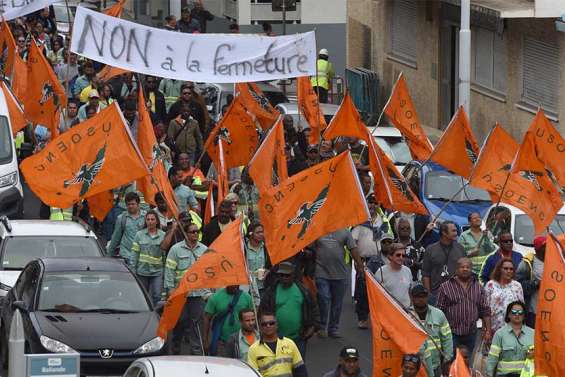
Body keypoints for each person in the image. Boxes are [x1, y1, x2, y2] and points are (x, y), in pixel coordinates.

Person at [164, 221, 209, 355]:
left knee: (196, 324)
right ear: (186, 233)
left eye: (197, 232)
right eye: (193, 232)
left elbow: (209, 272)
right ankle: (176, 347)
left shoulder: (204, 250)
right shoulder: (175, 249)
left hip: (198, 294)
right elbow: (169, 270)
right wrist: (170, 290)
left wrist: (209, 292)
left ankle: (196, 353)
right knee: (180, 322)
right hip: (180, 294)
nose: (196, 234)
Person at [260, 262, 319, 358]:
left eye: (287, 275)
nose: (284, 277)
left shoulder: (303, 290)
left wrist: (312, 327)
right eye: (281, 275)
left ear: (293, 275)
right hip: (276, 339)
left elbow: (313, 308)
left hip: (298, 338)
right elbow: (263, 311)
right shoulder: (271, 292)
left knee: (298, 367)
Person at [436, 257, 492, 358]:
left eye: (468, 267)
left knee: (468, 362)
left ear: (471, 269)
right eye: (462, 267)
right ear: (456, 269)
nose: (465, 269)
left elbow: (485, 310)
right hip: (451, 333)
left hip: (471, 333)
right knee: (451, 361)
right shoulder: (445, 287)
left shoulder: (478, 286)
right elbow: (439, 311)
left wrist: (488, 330)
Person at [314, 229, 363, 338]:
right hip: (321, 271)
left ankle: (333, 328)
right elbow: (309, 246)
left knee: (337, 303)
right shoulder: (318, 229)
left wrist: (360, 265)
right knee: (324, 297)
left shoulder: (345, 232)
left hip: (340, 274)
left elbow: (353, 249)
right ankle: (322, 327)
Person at [352, 193, 392, 328]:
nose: (373, 205)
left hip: (380, 261)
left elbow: (389, 238)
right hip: (363, 260)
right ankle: (362, 317)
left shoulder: (384, 221)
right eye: (370, 202)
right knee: (362, 290)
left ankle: (378, 318)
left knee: (380, 289)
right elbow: (353, 242)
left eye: (375, 203)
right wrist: (357, 262)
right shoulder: (360, 220)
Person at [409, 284, 453, 377]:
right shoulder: (406, 315)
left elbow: (447, 337)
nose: (421, 299)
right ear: (412, 297)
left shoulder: (438, 314)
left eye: (424, 296)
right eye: (418, 296)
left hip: (435, 365)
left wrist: (447, 359)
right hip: (415, 367)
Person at [247, 312, 307, 377]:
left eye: (271, 323)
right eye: (264, 324)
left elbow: (300, 370)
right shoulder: (253, 349)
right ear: (260, 327)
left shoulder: (290, 343)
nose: (268, 326)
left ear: (277, 325)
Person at [422, 221, 466, 304]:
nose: (456, 233)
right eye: (453, 231)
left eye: (456, 231)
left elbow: (465, 271)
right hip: (436, 295)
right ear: (444, 233)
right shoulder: (430, 250)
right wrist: (429, 294)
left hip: (457, 294)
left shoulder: (460, 249)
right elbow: (425, 274)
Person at [486, 301, 533, 377]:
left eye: (520, 312)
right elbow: (492, 358)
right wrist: (489, 374)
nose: (517, 314)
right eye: (514, 312)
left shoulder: (533, 334)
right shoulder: (500, 334)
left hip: (526, 374)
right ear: (508, 315)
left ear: (524, 316)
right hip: (504, 375)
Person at [203, 285, 253, 356]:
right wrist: (205, 340)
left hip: (243, 341)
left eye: (237, 284)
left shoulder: (247, 297)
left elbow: (254, 317)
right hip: (222, 341)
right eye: (232, 284)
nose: (235, 286)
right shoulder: (215, 297)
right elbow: (206, 317)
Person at [131, 210, 166, 305]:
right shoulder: (139, 235)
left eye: (152, 219)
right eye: (148, 219)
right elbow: (134, 254)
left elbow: (164, 255)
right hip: (142, 271)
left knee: (157, 295)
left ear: (157, 221)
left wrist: (164, 271)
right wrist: (133, 270)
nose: (150, 221)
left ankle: (155, 314)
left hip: (157, 272)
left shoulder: (163, 235)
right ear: (145, 221)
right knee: (143, 296)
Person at [484, 258, 524, 333]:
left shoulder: (517, 286)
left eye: (511, 269)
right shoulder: (490, 285)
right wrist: (487, 330)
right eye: (506, 268)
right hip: (493, 329)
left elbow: (521, 309)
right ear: (499, 269)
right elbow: (485, 309)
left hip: (512, 329)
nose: (509, 271)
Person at [107, 192, 146, 269]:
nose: (130, 206)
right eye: (128, 204)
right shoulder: (121, 218)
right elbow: (115, 238)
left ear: (138, 204)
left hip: (142, 257)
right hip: (126, 256)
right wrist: (108, 256)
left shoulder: (146, 217)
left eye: (133, 204)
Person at [516, 236, 545, 328]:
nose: (549, 248)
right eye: (546, 246)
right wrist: (536, 283)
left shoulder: (555, 261)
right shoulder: (527, 263)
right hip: (533, 310)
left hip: (550, 310)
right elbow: (518, 285)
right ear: (538, 249)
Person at [375, 243, 413, 308]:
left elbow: (410, 291)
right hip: (389, 311)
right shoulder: (381, 272)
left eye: (403, 256)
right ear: (390, 256)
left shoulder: (407, 271)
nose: (401, 257)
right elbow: (376, 294)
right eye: (398, 255)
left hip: (406, 311)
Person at [245, 222, 270, 303]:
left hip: (263, 287)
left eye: (262, 232)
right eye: (258, 232)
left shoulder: (266, 247)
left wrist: (268, 271)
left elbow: (271, 265)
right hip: (248, 288)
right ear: (251, 233)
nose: (261, 234)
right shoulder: (244, 248)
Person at [395, 217, 426, 281]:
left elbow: (425, 265)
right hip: (396, 280)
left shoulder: (418, 246)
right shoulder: (393, 245)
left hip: (413, 282)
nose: (405, 230)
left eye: (408, 228)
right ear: (397, 230)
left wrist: (412, 263)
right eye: (402, 228)